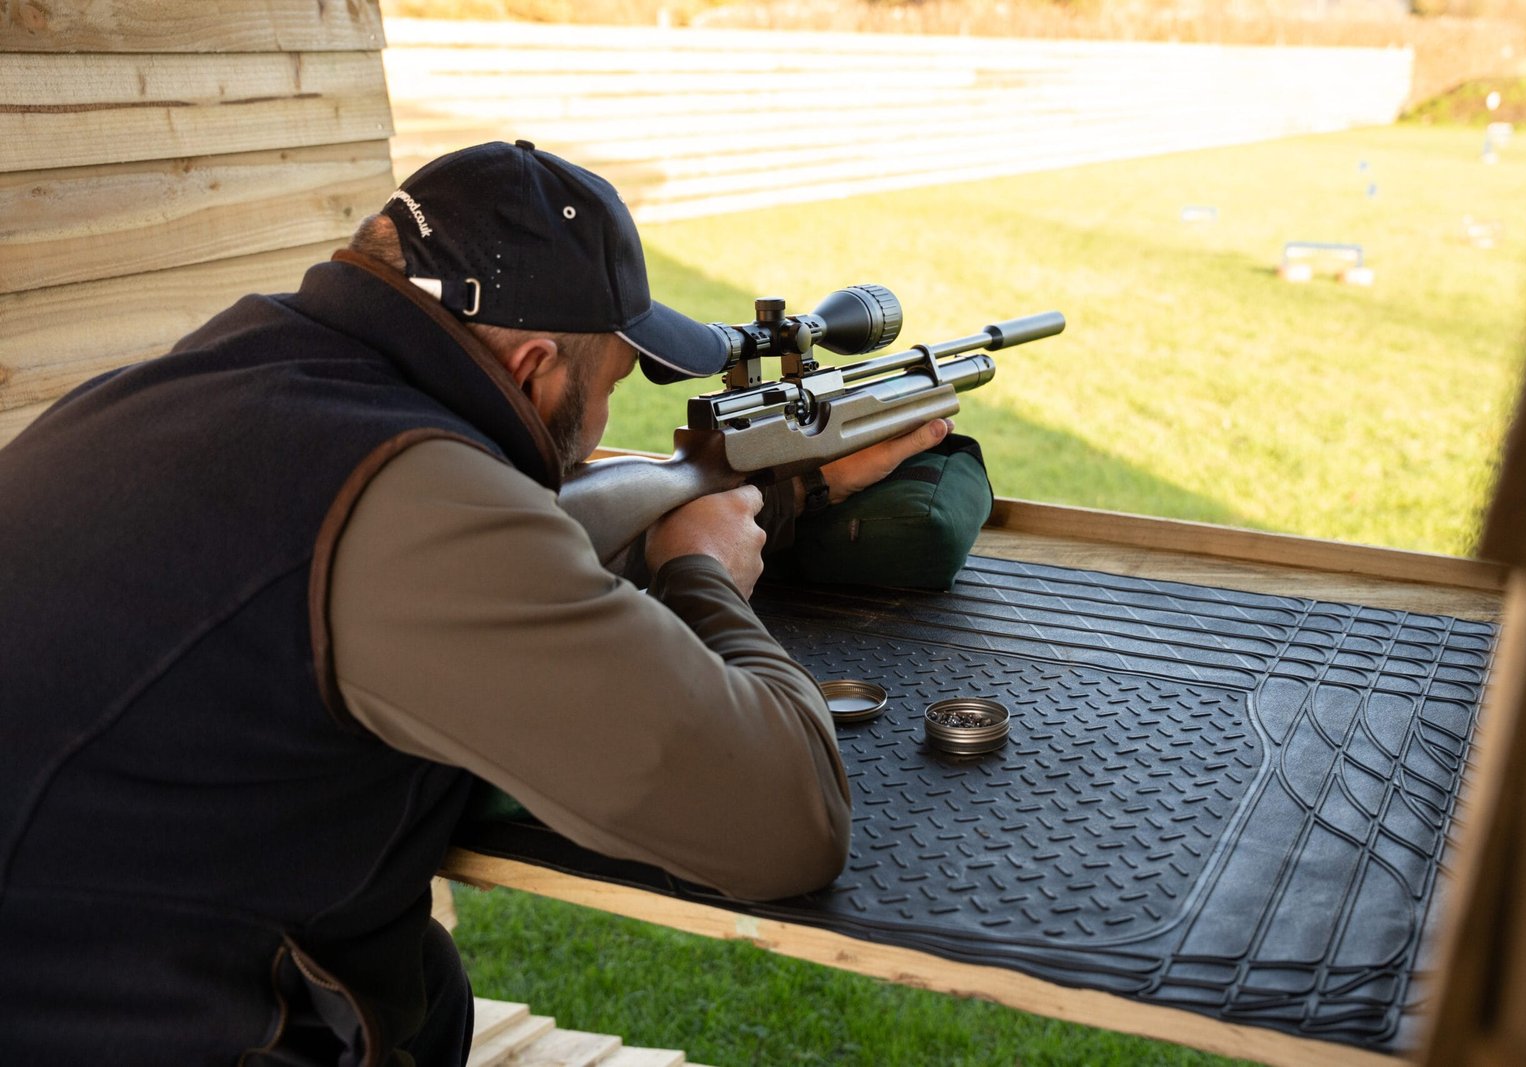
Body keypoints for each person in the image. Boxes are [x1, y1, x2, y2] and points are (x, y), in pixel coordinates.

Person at [0, 140, 951, 1065]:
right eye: (615, 383)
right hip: (134, 1023)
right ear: (535, 365)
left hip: (83, 945)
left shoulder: (192, 381)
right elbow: (786, 823)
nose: (610, 426)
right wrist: (698, 568)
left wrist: (789, 488)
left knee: (428, 984)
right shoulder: (413, 501)